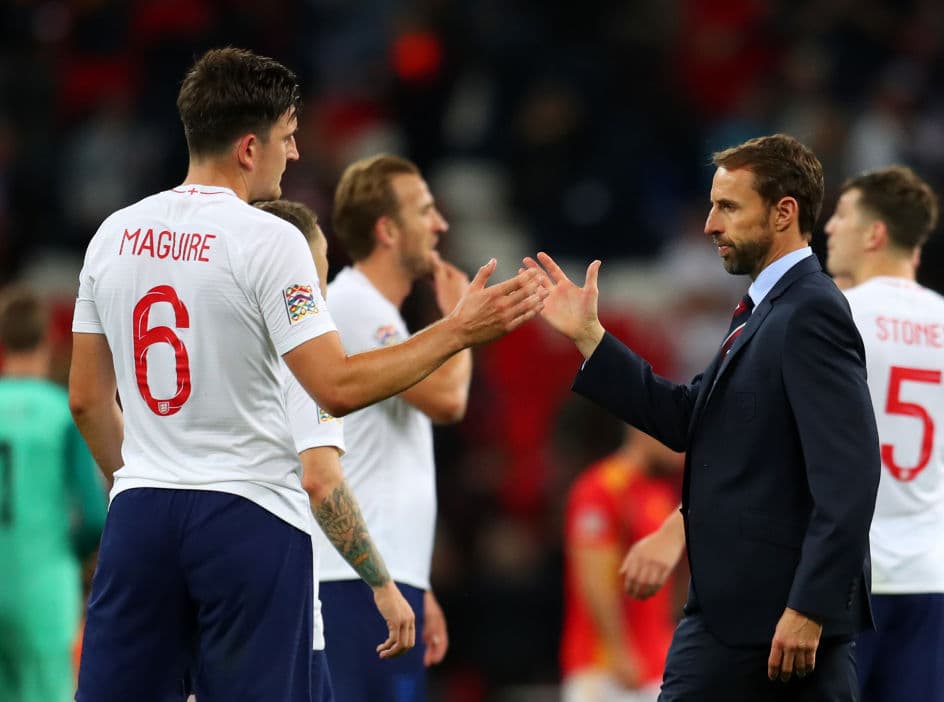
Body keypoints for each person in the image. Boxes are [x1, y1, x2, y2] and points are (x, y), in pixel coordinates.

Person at [68, 47, 545, 702]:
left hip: (140, 514)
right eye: (287, 140)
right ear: (247, 147)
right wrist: (459, 330)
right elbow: (336, 385)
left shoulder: (112, 235)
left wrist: (149, 476)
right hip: (248, 516)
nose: (293, 156)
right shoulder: (271, 239)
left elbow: (88, 401)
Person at [527, 133, 881, 701]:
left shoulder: (809, 310)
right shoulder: (765, 310)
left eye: (729, 207)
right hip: (739, 617)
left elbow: (851, 475)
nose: (711, 225)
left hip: (777, 621)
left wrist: (808, 608)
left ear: (784, 212)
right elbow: (690, 419)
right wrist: (592, 338)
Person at [823, 165, 944, 702]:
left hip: (838, 582)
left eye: (843, 215)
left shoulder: (833, 314)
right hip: (926, 582)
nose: (829, 227)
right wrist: (940, 542)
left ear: (875, 234)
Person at [313, 154, 468, 700]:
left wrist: (418, 584)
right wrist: (461, 323)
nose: (440, 225)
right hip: (350, 583)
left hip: (381, 579)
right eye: (425, 211)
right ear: (387, 229)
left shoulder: (381, 313)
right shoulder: (352, 304)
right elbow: (448, 400)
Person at [254, 198, 416, 701]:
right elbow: (321, 480)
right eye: (319, 275)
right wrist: (383, 586)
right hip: (275, 600)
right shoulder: (303, 365)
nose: (321, 294)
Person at [0, 286, 108, 702]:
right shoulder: (61, 412)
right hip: (40, 584)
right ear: (49, 339)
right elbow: (94, 515)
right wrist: (72, 554)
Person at [561, 423, 683, 702]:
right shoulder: (600, 487)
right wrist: (618, 649)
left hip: (656, 664)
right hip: (605, 668)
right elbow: (592, 578)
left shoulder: (660, 494)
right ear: (644, 429)